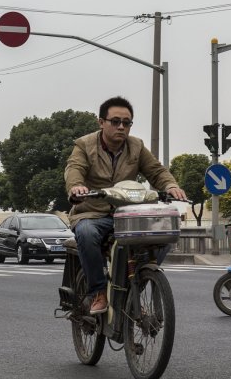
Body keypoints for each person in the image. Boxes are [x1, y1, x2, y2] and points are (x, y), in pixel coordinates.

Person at [65, 96, 188, 315]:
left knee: (163, 234)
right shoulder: (84, 145)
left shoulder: (137, 146)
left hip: (127, 214)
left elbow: (156, 171)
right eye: (115, 121)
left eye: (127, 122)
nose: (121, 127)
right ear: (101, 122)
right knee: (86, 233)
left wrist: (171, 186)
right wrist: (77, 188)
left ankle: (133, 289)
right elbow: (74, 170)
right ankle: (99, 292)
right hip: (93, 213)